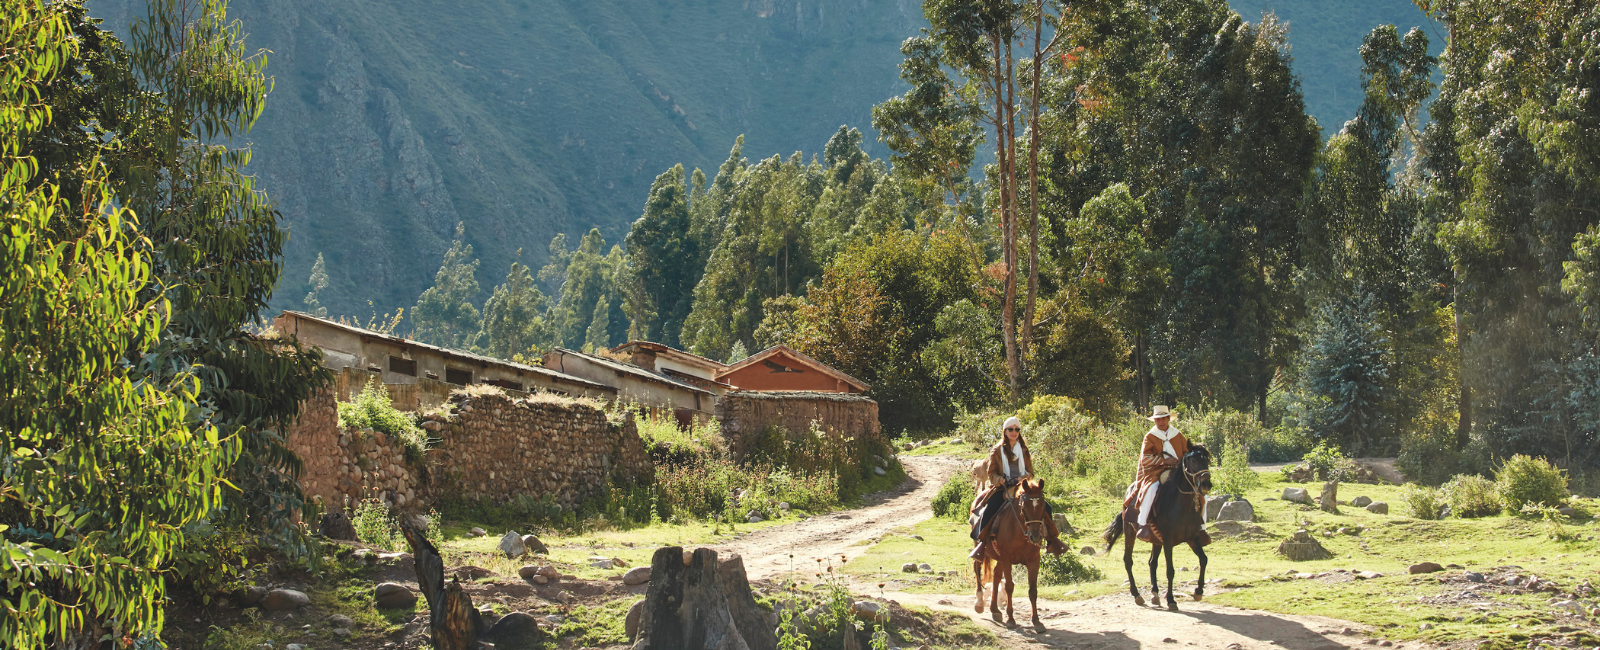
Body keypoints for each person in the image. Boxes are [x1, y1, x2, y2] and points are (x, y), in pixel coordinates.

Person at [968, 416, 1069, 558]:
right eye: (1011, 429)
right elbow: (991, 473)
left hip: (1022, 487)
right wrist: (1000, 479)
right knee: (990, 509)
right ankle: (982, 544)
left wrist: (1024, 477)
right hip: (1003, 487)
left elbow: (1030, 472)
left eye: (1017, 429)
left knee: (1046, 507)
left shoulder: (1023, 449)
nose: (1014, 432)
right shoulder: (997, 450)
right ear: (1005, 431)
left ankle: (1052, 541)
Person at [1123, 405, 1188, 542]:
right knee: (1152, 489)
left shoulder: (1177, 435)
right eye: (1158, 419)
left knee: (1194, 491)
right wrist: (1164, 460)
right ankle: (1143, 523)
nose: (1160, 422)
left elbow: (1186, 452)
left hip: (1176, 471)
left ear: (1168, 418)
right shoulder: (1150, 437)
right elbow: (1145, 458)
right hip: (1155, 471)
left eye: (1163, 419)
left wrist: (1180, 461)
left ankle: (1199, 526)